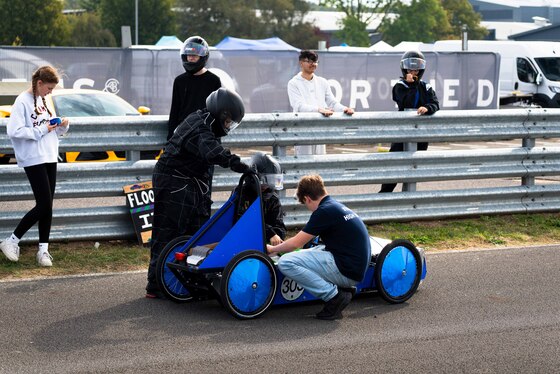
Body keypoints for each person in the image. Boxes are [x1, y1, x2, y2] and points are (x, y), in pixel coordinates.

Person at [146, 87, 251, 298]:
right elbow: (214, 153)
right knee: (168, 233)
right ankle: (156, 284)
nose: (228, 126)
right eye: (229, 121)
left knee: (196, 232)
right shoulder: (200, 128)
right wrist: (241, 165)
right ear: (221, 113)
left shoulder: (205, 121)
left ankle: (187, 281)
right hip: (175, 181)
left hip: (189, 182)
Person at [267, 174, 371, 320]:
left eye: (306, 204)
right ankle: (342, 289)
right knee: (310, 250)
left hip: (347, 270)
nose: (309, 209)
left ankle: (334, 296)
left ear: (307, 198)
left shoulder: (324, 211)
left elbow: (297, 243)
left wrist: (272, 249)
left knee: (286, 262)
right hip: (354, 266)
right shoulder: (335, 206)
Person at [0, 66, 70, 267]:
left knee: (48, 206)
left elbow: (50, 128)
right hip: (33, 157)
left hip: (49, 155)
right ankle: (12, 240)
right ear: (39, 83)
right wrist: (41, 130)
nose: (51, 92)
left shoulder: (45, 99)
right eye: (49, 88)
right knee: (44, 204)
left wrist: (62, 126)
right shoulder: (22, 100)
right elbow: (14, 131)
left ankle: (43, 251)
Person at [379, 50, 440, 193]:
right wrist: (411, 84)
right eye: (411, 68)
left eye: (417, 68)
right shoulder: (400, 86)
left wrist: (427, 107)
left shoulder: (426, 86)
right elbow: (406, 101)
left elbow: (435, 103)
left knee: (413, 167)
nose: (414, 71)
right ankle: (385, 195)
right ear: (405, 68)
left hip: (421, 134)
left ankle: (408, 197)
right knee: (394, 166)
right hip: (403, 132)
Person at [287, 50, 354, 156]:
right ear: (301, 63)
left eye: (315, 61)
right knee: (304, 164)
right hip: (303, 129)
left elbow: (332, 102)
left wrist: (344, 109)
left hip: (319, 128)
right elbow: (298, 106)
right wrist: (319, 109)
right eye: (309, 61)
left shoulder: (322, 82)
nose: (313, 64)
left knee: (320, 163)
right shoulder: (293, 83)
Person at [168, 35, 221, 140]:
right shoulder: (179, 81)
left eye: (194, 55)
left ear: (202, 57)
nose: (191, 58)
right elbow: (174, 111)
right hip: (184, 134)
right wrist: (171, 138)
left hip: (205, 135)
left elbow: (218, 113)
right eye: (189, 55)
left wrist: (216, 138)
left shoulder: (213, 80)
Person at [236, 152, 286, 245]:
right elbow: (244, 222)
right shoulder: (242, 194)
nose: (266, 185)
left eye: (271, 181)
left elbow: (280, 226)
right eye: (263, 181)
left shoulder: (273, 199)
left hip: (266, 244)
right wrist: (270, 233)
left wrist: (277, 236)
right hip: (242, 241)